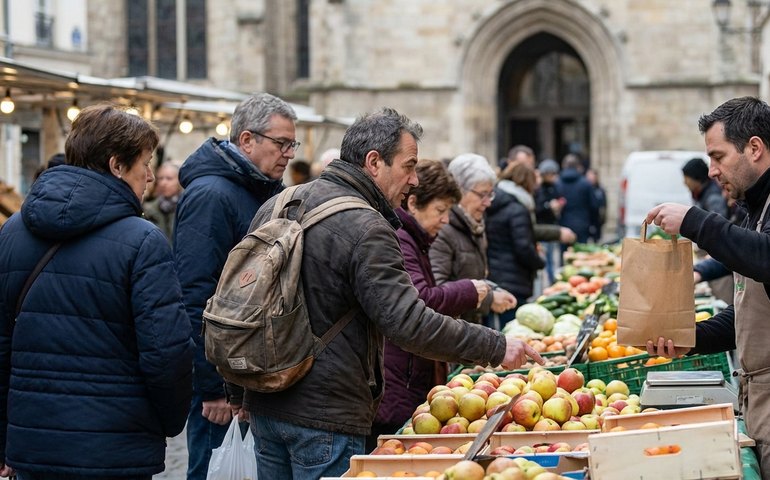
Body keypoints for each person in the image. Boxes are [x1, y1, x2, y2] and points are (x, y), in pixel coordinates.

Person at [239, 108, 543, 479]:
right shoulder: (367, 224)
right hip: (325, 417)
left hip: (266, 405)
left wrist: (240, 391)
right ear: (373, 162)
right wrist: (496, 346)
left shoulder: (280, 202)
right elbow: (408, 321)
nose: (415, 180)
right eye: (408, 166)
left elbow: (242, 301)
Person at [0, 104, 194, 479]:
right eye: (145, 164)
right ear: (116, 166)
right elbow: (166, 354)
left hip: (33, 445)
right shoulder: (143, 241)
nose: (151, 177)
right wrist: (167, 422)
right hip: (115, 447)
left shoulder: (12, 232)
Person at [173, 92, 297, 480]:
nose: (289, 153)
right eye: (282, 143)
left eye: (292, 144)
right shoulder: (211, 195)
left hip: (249, 376)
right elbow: (195, 295)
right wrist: (213, 388)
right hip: (223, 384)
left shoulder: (261, 189)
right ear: (247, 140)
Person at [645, 96, 770, 479]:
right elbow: (750, 314)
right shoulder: (755, 207)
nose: (712, 170)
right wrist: (690, 338)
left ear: (754, 148)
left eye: (718, 156)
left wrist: (695, 221)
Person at [369, 159, 492, 448]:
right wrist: (469, 291)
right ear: (413, 204)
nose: (446, 219)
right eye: (440, 210)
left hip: (411, 373)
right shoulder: (401, 238)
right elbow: (421, 300)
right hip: (400, 378)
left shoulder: (417, 238)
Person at [430, 153, 518, 325]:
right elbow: (437, 291)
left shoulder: (473, 224)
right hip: (452, 334)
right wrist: (489, 300)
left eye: (490, 194)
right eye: (482, 194)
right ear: (460, 190)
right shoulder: (443, 230)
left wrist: (492, 288)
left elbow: (471, 276)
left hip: (470, 326)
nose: (488, 202)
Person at [486, 162, 546, 324]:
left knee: (495, 328)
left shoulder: (493, 201)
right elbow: (523, 247)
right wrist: (539, 261)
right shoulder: (517, 208)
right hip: (514, 278)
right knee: (514, 328)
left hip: (494, 274)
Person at [558, 153, 598, 244]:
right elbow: (594, 206)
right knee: (581, 253)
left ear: (564, 165)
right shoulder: (586, 183)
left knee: (565, 255)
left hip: (563, 225)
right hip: (582, 225)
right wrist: (594, 225)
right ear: (578, 166)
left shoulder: (558, 183)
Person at [143, 162, 182, 240]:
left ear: (179, 181)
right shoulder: (147, 210)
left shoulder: (186, 208)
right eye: (160, 178)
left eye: (169, 178)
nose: (163, 183)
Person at [585, 167, 607, 242]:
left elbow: (604, 205)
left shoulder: (600, 189)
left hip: (596, 219)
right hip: (587, 218)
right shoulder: (584, 188)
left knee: (596, 240)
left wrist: (603, 218)